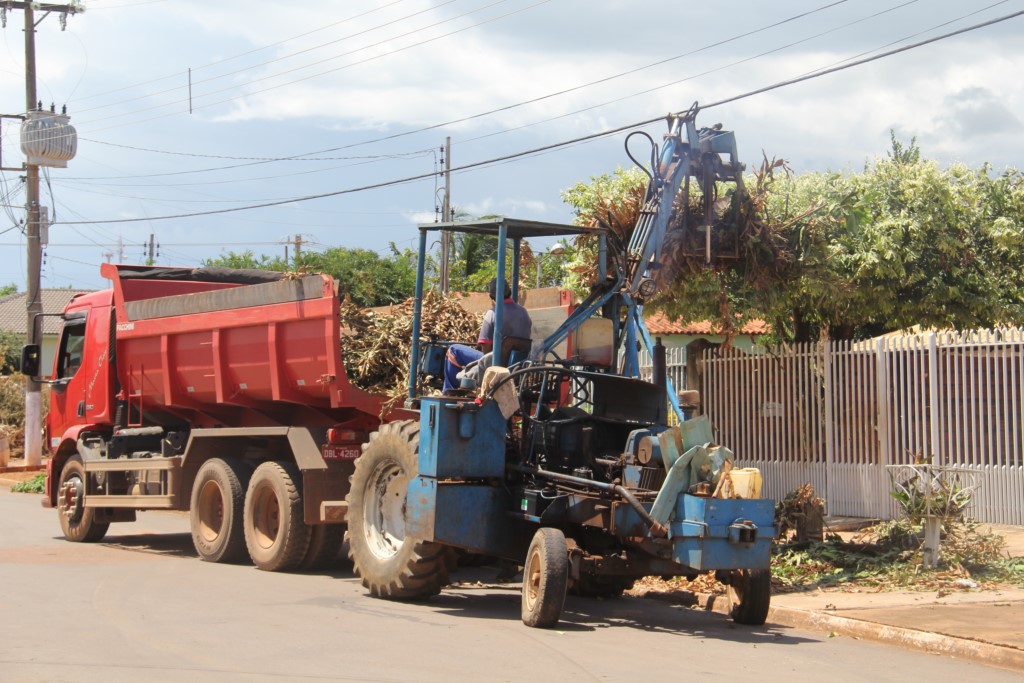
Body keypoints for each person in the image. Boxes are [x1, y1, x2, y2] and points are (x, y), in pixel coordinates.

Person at [443, 277, 533, 392]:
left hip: (495, 362)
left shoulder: (493, 313)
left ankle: (449, 392)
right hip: (516, 365)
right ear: (509, 291)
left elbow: (485, 348)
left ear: (491, 296)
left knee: (453, 350)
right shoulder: (524, 312)